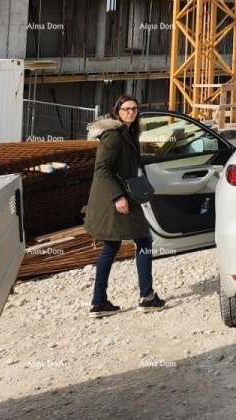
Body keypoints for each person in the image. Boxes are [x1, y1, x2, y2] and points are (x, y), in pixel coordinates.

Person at [84, 95, 165, 317]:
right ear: (117, 111)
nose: (131, 112)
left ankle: (99, 302)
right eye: (126, 109)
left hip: (117, 197)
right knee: (143, 240)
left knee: (111, 247)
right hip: (115, 199)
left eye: (134, 109)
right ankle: (146, 297)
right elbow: (101, 168)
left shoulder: (127, 133)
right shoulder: (113, 136)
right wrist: (118, 197)